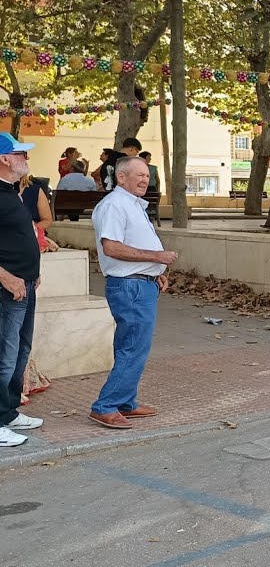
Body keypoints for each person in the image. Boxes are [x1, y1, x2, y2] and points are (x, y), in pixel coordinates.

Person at [89, 156, 176, 429]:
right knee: (133, 347)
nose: (143, 179)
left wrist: (155, 271)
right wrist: (157, 256)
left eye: (147, 176)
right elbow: (111, 247)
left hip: (140, 283)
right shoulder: (115, 205)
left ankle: (126, 401)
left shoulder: (131, 205)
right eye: (137, 174)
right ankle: (105, 406)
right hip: (130, 286)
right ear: (121, 177)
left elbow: (132, 243)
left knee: (131, 345)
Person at [0, 133, 44, 446]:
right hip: (9, 287)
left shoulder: (12, 192)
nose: (26, 159)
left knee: (21, 350)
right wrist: (5, 276)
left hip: (25, 283)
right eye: (20, 154)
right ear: (4, 158)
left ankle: (9, 411)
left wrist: (33, 273)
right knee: (5, 355)